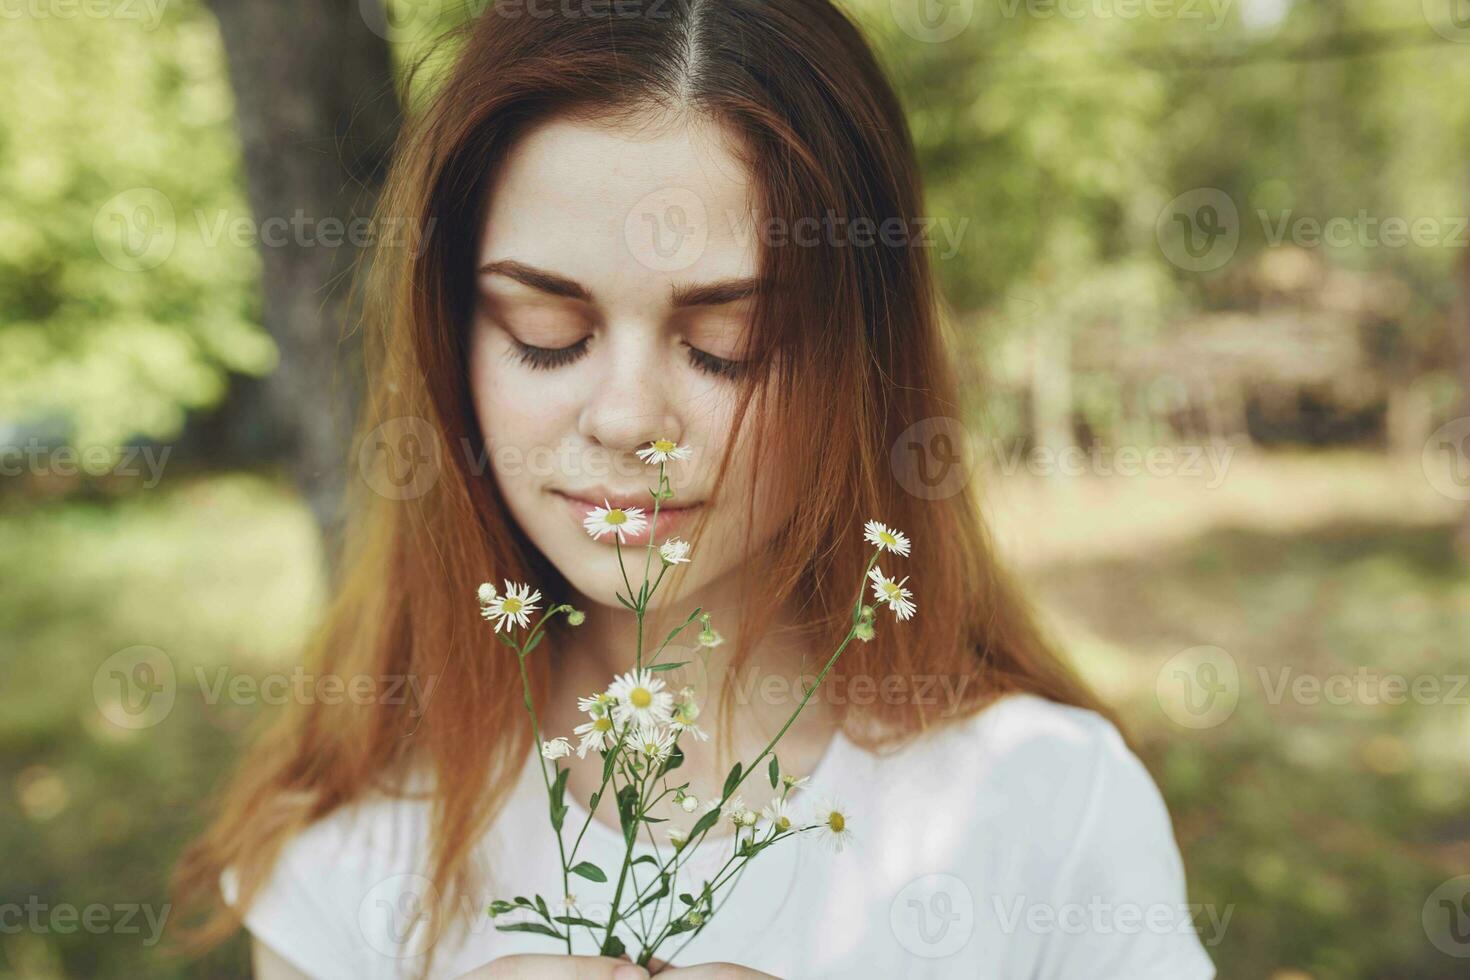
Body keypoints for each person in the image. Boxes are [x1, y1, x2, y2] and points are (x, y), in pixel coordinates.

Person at [173, 2, 1217, 977]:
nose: (628, 418)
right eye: (549, 336)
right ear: (449, 340)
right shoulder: (347, 835)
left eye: (730, 344)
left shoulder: (1043, 803)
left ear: (861, 359)